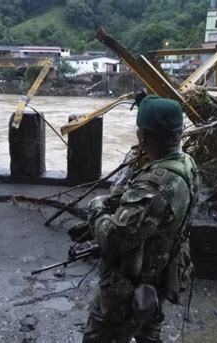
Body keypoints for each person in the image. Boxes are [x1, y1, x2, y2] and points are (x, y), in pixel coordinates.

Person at [70, 95, 200, 342]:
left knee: (100, 336)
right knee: (148, 331)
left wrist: (97, 209)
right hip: (162, 273)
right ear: (179, 132)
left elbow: (112, 240)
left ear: (143, 136)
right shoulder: (187, 164)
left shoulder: (155, 184)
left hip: (132, 286)